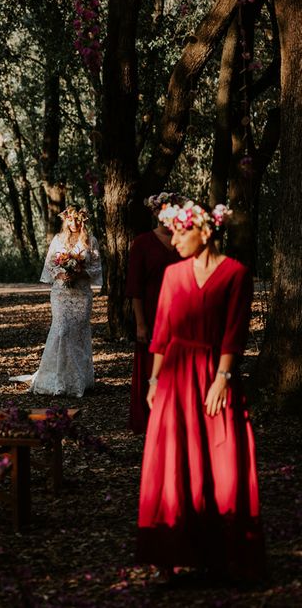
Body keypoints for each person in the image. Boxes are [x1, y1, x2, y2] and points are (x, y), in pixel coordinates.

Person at [137, 200, 265, 579]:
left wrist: (222, 379)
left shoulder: (236, 274)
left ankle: (225, 554)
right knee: (174, 464)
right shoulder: (173, 275)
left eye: (181, 231)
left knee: (222, 461)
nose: (174, 240)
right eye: (172, 231)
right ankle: (173, 554)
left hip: (214, 375)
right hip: (175, 378)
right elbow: (161, 333)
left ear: (204, 232)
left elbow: (234, 332)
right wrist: (154, 380)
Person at [14, 206, 102, 396]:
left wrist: (81, 272)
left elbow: (96, 268)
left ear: (83, 221)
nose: (74, 223)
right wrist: (60, 274)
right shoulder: (58, 240)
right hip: (61, 293)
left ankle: (78, 380)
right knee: (61, 331)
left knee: (77, 335)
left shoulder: (90, 241)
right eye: (70, 220)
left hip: (81, 294)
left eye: (78, 220)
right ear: (66, 221)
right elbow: (49, 264)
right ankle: (56, 379)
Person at [125, 192, 183, 434]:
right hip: (151, 311)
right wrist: (140, 323)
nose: (166, 215)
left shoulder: (185, 240)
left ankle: (177, 414)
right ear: (155, 212)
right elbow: (135, 286)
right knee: (151, 365)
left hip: (181, 311)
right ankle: (150, 416)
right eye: (162, 210)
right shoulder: (142, 242)